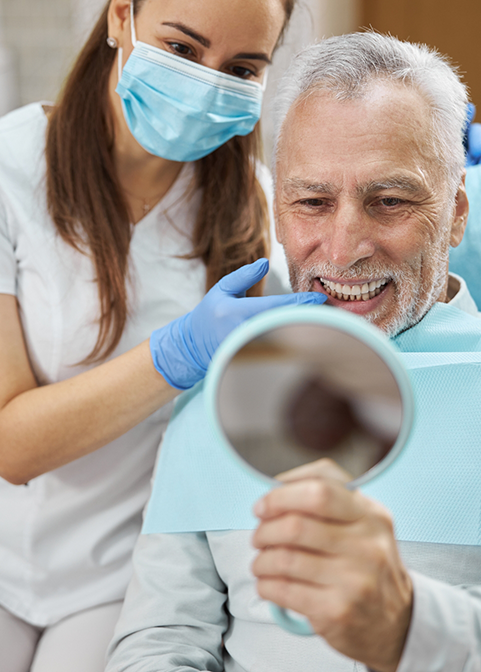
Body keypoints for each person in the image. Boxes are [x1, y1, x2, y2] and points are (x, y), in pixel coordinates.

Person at [106, 33, 481, 672]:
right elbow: (162, 635)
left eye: (389, 201)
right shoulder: (220, 392)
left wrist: (409, 627)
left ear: (454, 216)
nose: (342, 250)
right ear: (278, 215)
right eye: (311, 202)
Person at [0, 1, 327, 670]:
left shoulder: (257, 215)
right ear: (121, 16)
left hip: (123, 572)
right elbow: (10, 445)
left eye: (240, 67)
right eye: (181, 49)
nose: (207, 83)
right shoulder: (11, 170)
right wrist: (179, 354)